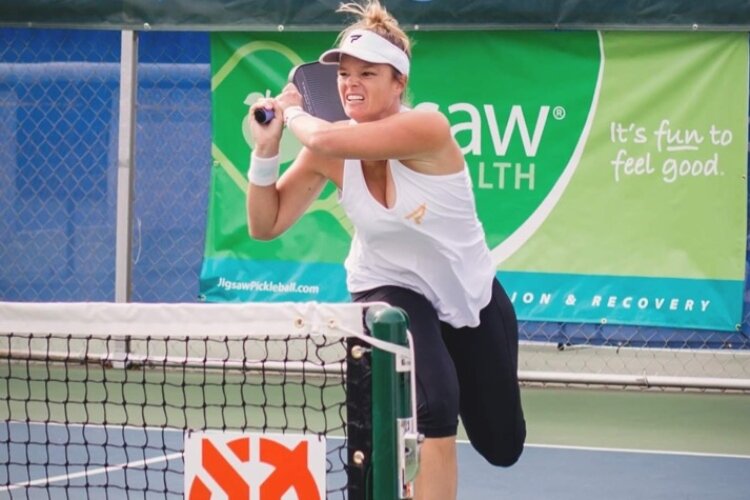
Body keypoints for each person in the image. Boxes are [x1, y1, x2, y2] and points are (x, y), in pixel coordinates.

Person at [246, 1, 526, 498]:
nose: (350, 84)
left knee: (504, 445)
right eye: (344, 74)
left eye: (367, 74)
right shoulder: (327, 148)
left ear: (399, 83)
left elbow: (324, 137)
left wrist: (292, 111)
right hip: (387, 288)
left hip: (469, 294)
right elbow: (264, 224)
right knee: (436, 405)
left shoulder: (428, 128)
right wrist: (266, 150)